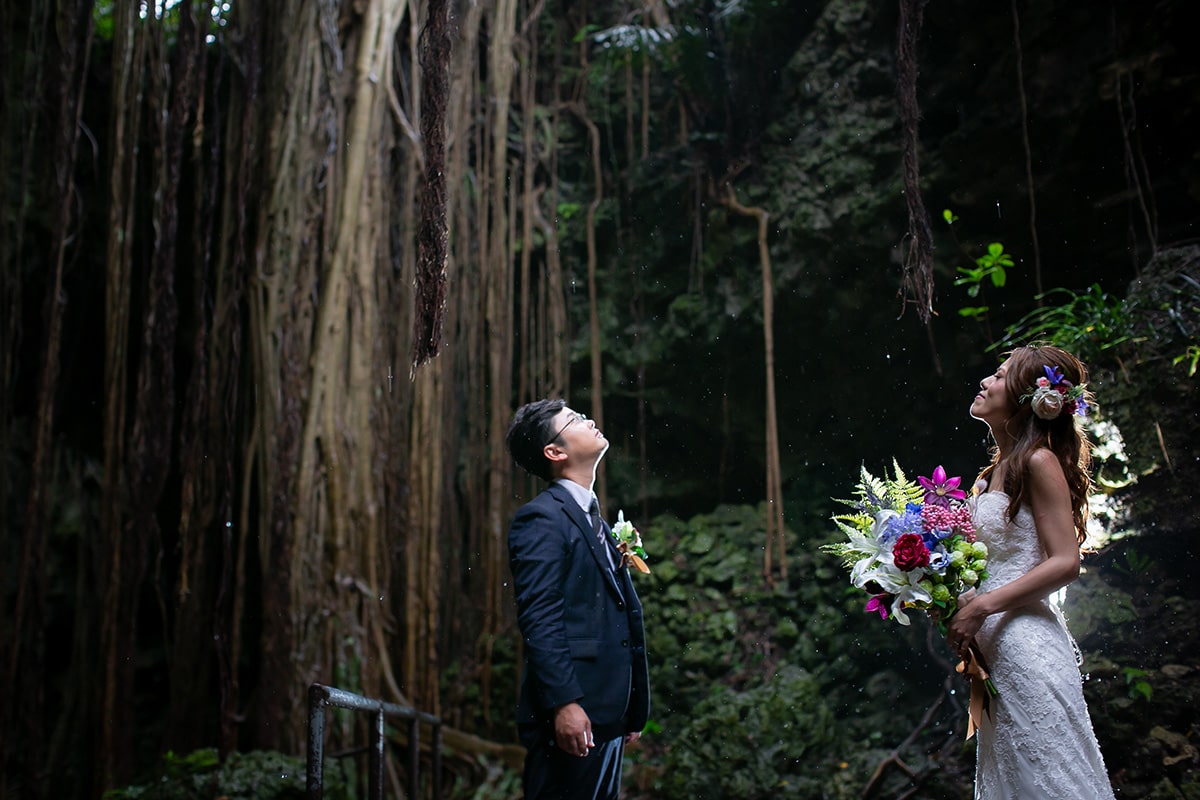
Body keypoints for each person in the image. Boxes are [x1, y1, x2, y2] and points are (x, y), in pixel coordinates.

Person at [946, 345, 1115, 798]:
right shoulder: (989, 476)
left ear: (1027, 397)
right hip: (995, 648)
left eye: (999, 377)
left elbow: (1065, 561)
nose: (985, 382)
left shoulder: (1038, 462)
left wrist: (982, 604)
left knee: (1052, 774)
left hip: (1026, 642)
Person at [504, 399, 651, 800]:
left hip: (606, 713)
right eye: (575, 420)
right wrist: (564, 704)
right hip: (572, 713)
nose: (589, 420)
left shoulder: (597, 522)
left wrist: (632, 706)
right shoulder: (542, 518)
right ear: (555, 452)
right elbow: (540, 616)